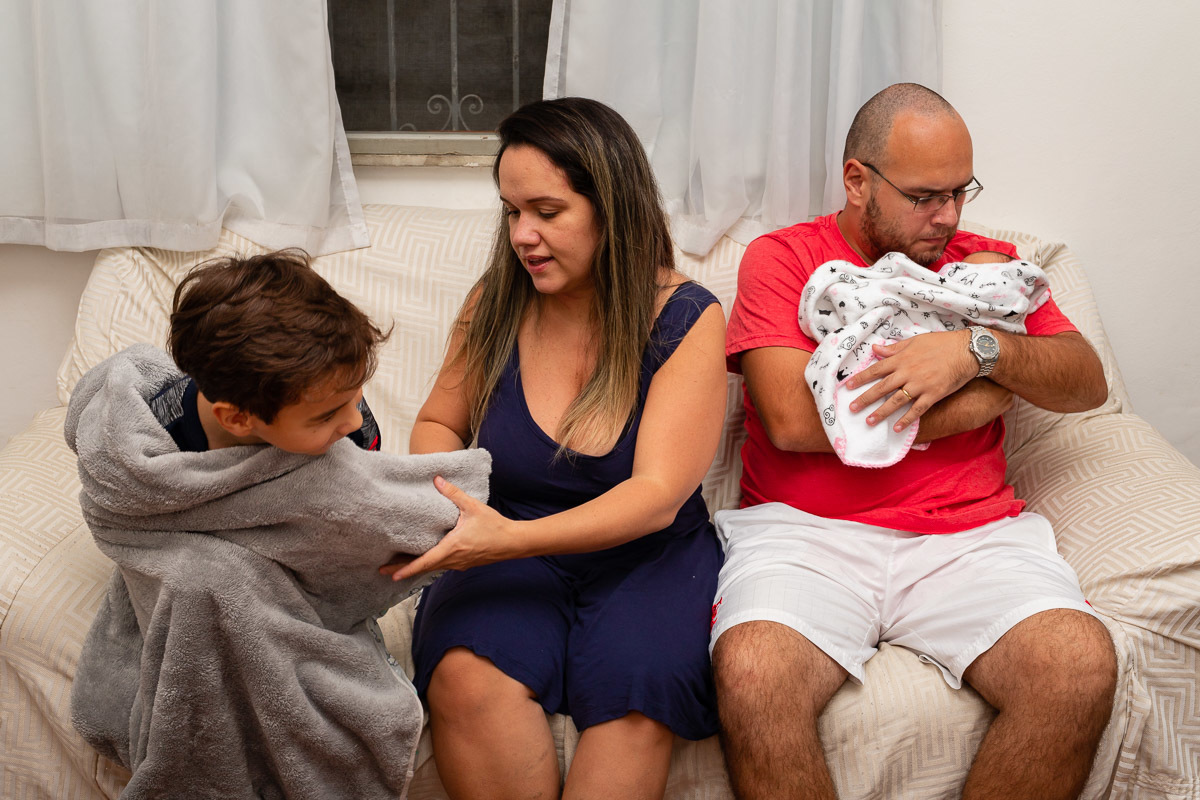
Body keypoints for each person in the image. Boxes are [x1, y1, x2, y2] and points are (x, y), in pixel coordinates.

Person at [710, 83, 1116, 800]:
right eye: (926, 196)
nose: (949, 215)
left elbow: (1086, 382)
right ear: (857, 181)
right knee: (751, 673)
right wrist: (978, 401)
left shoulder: (990, 272)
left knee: (1078, 666)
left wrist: (976, 351)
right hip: (809, 536)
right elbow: (794, 423)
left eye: (961, 192)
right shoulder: (784, 260)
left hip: (969, 537)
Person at [385, 97, 727, 799]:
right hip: (505, 537)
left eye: (546, 211)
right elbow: (440, 424)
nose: (523, 235)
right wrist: (449, 502)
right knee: (463, 675)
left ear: (612, 206)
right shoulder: (497, 301)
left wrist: (506, 540)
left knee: (638, 694)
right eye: (512, 212)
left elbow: (657, 496)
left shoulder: (685, 316)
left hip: (647, 556)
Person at [66, 250, 491, 799]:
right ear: (238, 418)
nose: (354, 421)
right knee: (202, 581)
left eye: (356, 395)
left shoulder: (354, 441)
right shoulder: (145, 440)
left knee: (226, 582)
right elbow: (121, 509)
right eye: (325, 416)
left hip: (290, 579)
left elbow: (363, 528)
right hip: (186, 567)